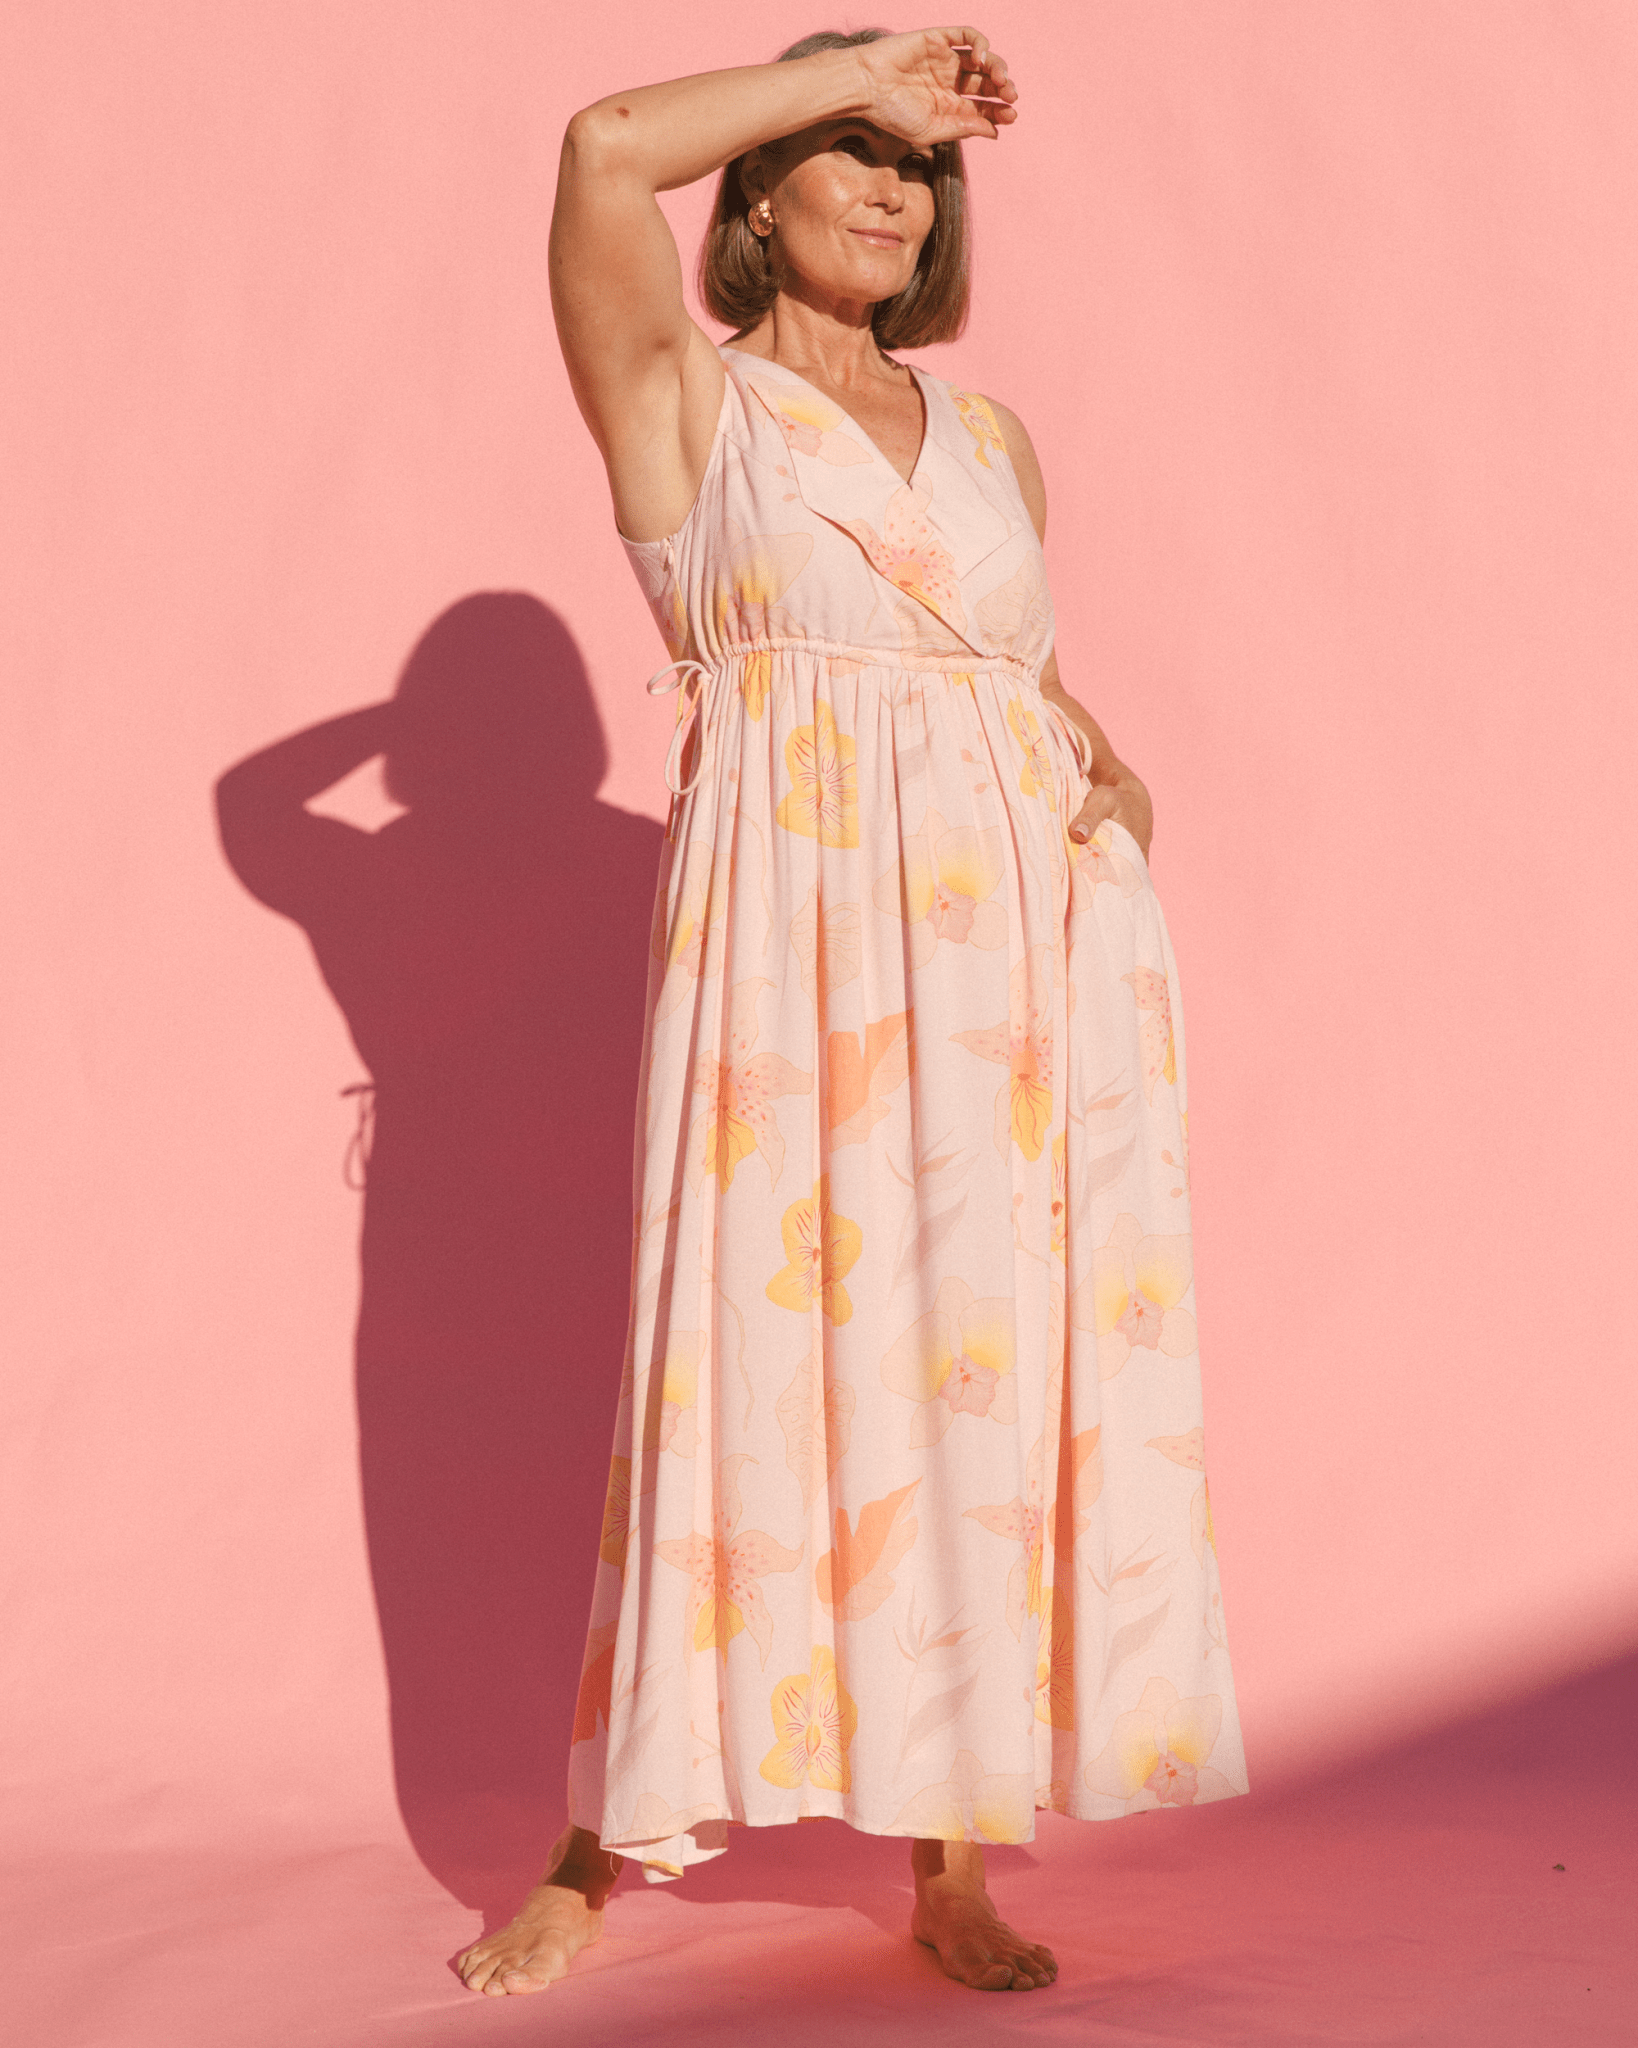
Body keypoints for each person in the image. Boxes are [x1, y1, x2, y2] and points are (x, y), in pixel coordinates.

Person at [457, 23, 1246, 1998]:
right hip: (788, 942)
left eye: (921, 167)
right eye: (852, 153)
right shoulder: (679, 404)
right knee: (738, 1348)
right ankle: (594, 1842)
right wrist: (870, 56)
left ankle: (950, 1857)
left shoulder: (996, 443)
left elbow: (990, 660)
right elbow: (598, 140)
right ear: (763, 190)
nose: (898, 188)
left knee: (971, 1368)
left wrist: (1103, 761)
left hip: (1007, 959)